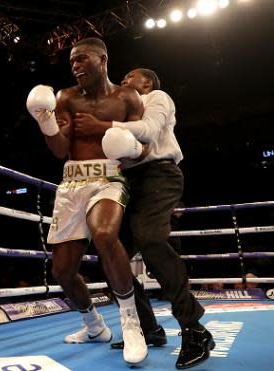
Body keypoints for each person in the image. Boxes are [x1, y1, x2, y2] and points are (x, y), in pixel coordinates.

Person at [76, 67, 215, 369]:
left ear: (147, 82)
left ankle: (195, 329)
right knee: (111, 256)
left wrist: (99, 124)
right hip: (126, 181)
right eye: (122, 79)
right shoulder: (122, 111)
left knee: (150, 238)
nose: (123, 82)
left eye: (130, 78)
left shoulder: (156, 97)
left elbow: (150, 131)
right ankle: (148, 328)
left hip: (159, 176)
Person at [26, 37, 147, 365]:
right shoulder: (65, 97)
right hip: (71, 182)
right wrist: (45, 121)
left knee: (105, 234)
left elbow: (146, 143)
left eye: (82, 59)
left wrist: (132, 148)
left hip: (110, 178)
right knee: (63, 271)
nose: (75, 66)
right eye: (72, 63)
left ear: (102, 59)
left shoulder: (128, 97)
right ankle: (94, 325)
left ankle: (131, 324)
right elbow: (59, 150)